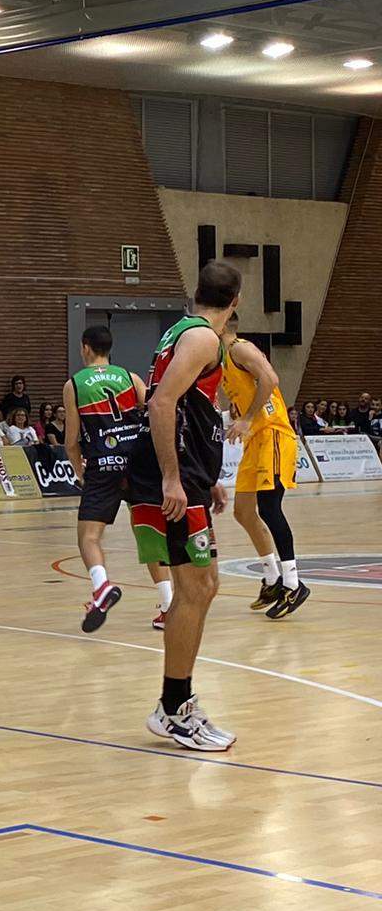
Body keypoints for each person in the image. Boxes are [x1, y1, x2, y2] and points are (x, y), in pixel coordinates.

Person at [125, 260, 240, 751]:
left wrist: (202, 478)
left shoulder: (181, 331)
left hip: (183, 476)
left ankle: (176, 703)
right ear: (236, 301)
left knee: (201, 586)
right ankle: (174, 708)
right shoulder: (203, 339)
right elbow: (160, 403)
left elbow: (189, 411)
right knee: (197, 587)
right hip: (168, 478)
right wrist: (173, 477)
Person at [63, 324, 172, 634]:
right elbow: (153, 414)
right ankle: (169, 606)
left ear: (85, 347)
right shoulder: (130, 377)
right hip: (137, 463)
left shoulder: (74, 385)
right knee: (148, 536)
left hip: (103, 463)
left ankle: (101, 588)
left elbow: (71, 441)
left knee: (89, 537)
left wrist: (81, 473)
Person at [219, 318, 309, 620]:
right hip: (255, 440)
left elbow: (270, 379)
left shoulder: (239, 348)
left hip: (273, 434)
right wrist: (238, 416)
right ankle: (272, 580)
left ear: (222, 323)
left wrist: (247, 418)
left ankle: (293, 584)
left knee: (270, 509)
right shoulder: (222, 359)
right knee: (243, 512)